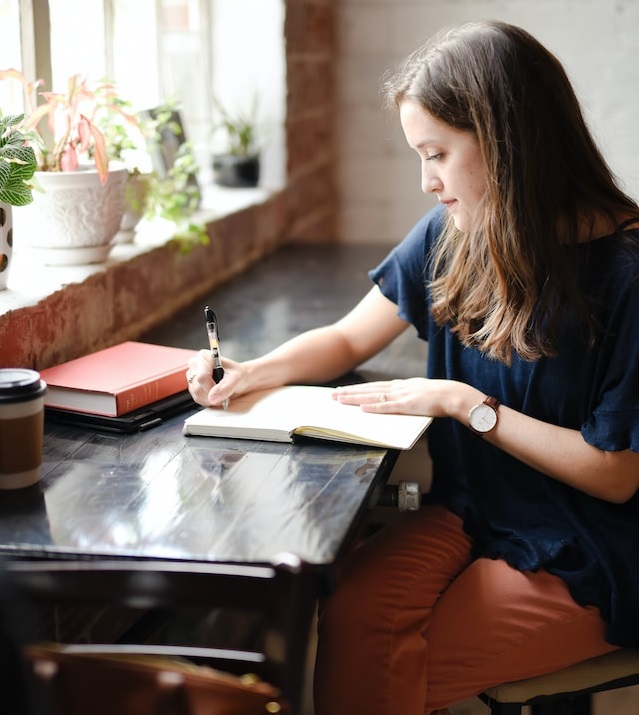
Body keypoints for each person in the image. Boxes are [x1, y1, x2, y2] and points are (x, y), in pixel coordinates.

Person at [187, 19, 639, 715]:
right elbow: (345, 338)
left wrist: (464, 403)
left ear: (506, 142)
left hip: (592, 539)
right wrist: (253, 372)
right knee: (351, 615)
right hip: (473, 507)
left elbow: (613, 475)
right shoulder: (456, 232)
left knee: (381, 672)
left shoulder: (627, 275)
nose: (425, 181)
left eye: (436, 153)